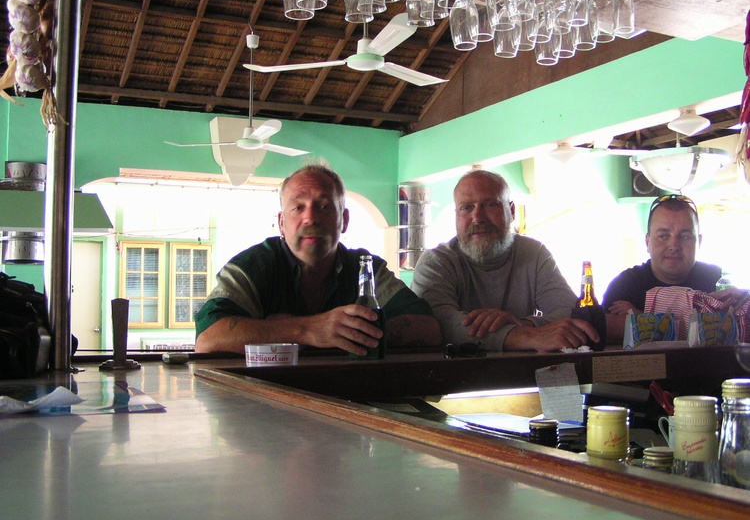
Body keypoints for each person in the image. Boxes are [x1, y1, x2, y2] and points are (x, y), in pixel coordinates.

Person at [195, 162, 441, 355]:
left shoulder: (366, 268)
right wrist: (309, 330)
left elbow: (428, 329)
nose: (310, 218)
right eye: (298, 207)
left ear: (344, 220)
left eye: (324, 206)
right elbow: (208, 338)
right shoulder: (252, 266)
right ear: (282, 223)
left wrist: (332, 334)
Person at [411, 169, 598, 352]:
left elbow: (569, 311)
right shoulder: (436, 262)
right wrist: (529, 336)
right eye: (466, 207)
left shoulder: (534, 253)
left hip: (522, 377)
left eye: (490, 204)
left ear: (512, 210)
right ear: (456, 216)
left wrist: (521, 322)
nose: (478, 217)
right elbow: (441, 325)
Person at [603, 194, 722, 339]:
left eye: (685, 236)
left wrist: (642, 320)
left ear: (699, 242)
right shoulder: (625, 285)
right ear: (647, 242)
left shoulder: (718, 282)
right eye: (663, 236)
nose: (674, 246)